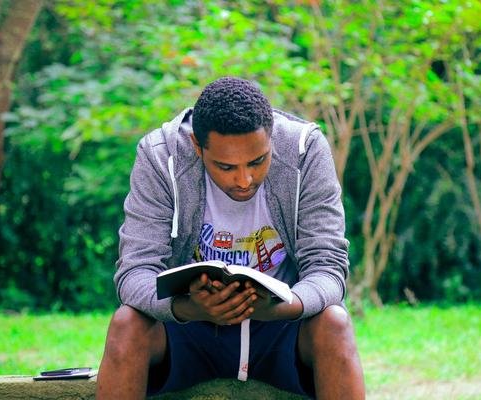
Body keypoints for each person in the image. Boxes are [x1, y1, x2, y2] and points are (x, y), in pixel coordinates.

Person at [96, 77, 365, 399]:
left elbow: (329, 267)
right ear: (197, 146)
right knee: (126, 324)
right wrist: (190, 308)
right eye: (225, 166)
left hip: (282, 327)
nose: (244, 179)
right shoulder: (160, 156)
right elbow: (134, 273)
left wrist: (281, 307)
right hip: (188, 328)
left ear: (273, 138)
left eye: (258, 161)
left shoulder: (304, 150)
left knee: (335, 322)